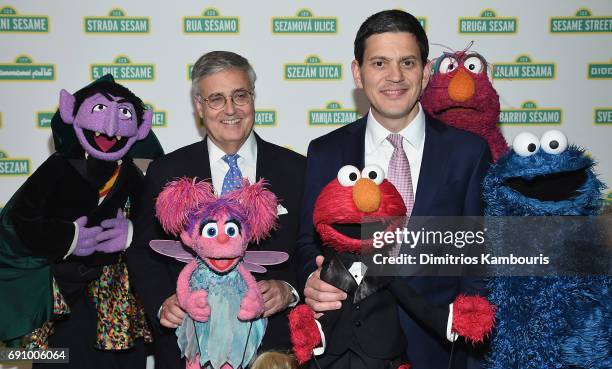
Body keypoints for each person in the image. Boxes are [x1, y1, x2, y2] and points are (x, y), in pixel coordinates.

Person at [296, 10, 492, 369]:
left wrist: (470, 326)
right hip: (350, 350)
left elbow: (478, 256)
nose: (395, 77)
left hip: (439, 348)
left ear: (427, 70)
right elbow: (308, 241)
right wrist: (313, 277)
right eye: (379, 63)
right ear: (358, 72)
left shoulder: (468, 152)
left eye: (407, 62)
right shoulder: (326, 152)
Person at [126, 51, 305, 369]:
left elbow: (313, 248)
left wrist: (289, 290)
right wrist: (164, 302)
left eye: (240, 96)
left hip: (275, 351)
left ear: (253, 98)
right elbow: (143, 252)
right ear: (199, 105)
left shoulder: (297, 169)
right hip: (190, 348)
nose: (231, 110)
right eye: (216, 99)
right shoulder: (167, 172)